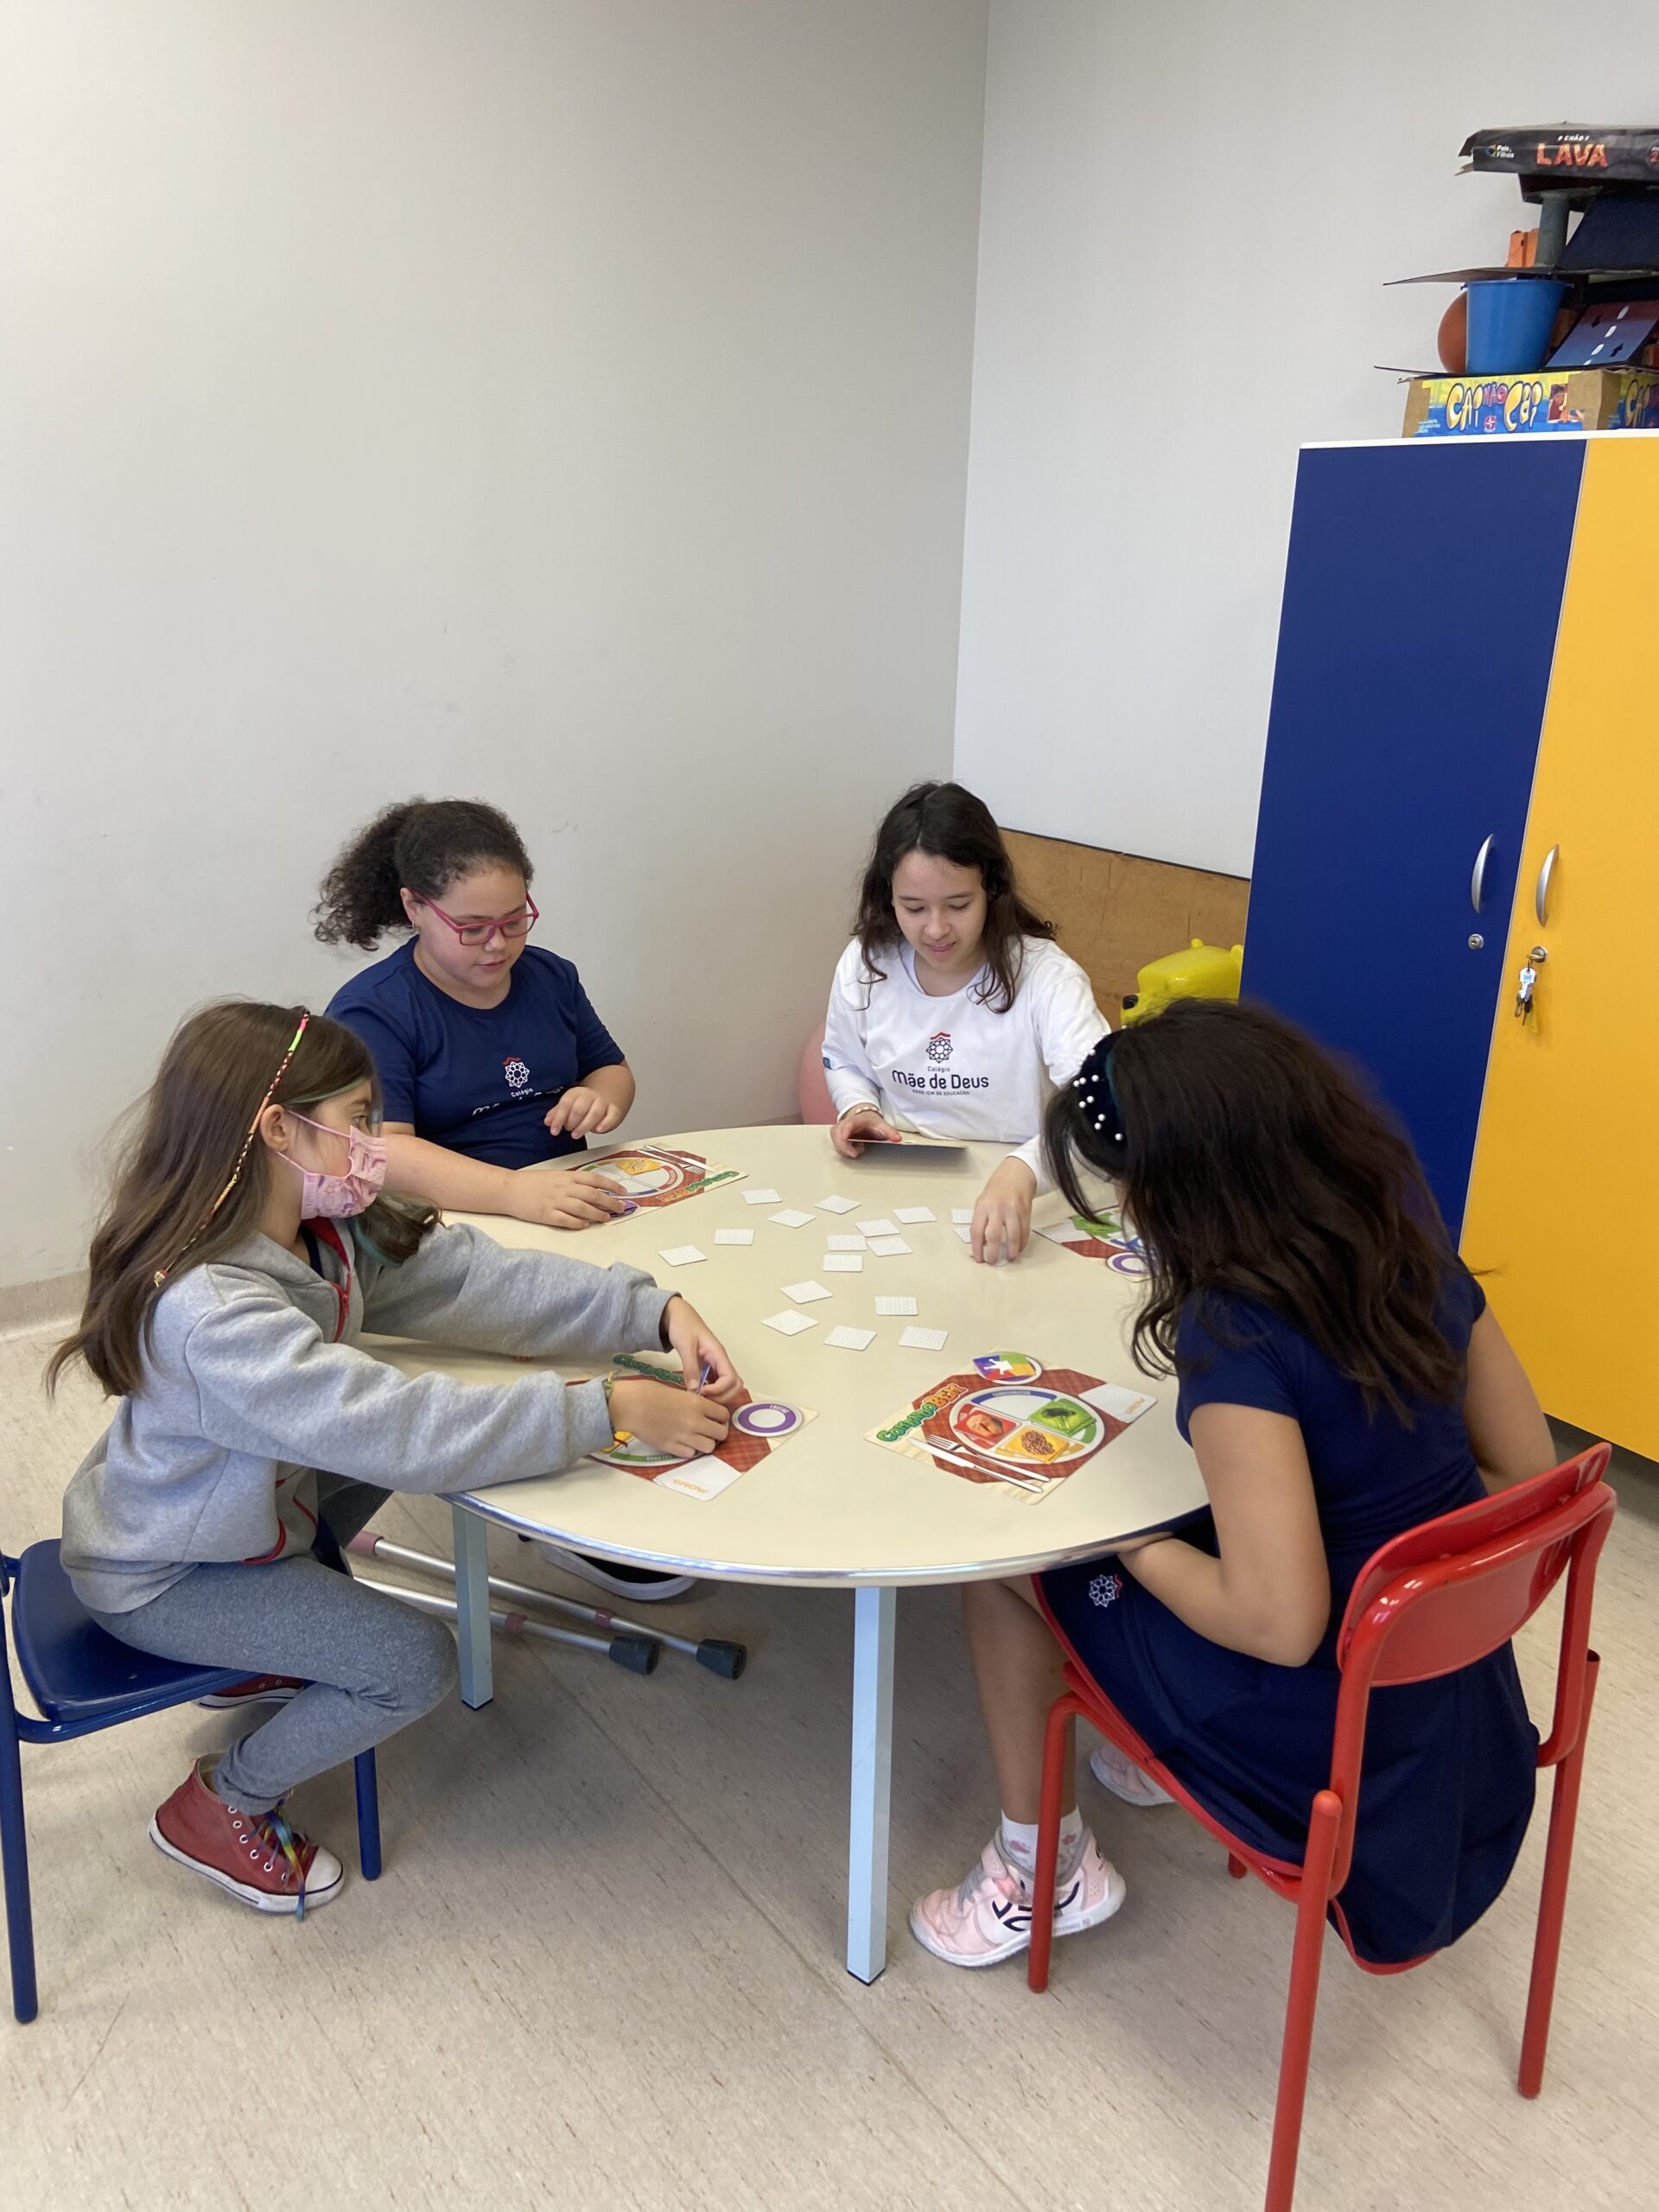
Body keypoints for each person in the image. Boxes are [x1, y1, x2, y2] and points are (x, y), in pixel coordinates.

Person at [53, 1001, 741, 1919]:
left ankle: (269, 1651)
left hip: (244, 1515)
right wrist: (605, 1409)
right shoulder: (212, 1313)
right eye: (357, 1120)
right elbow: (402, 1430)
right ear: (277, 1130)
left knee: (438, 1435)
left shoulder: (320, 1226)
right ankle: (221, 1804)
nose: (375, 1146)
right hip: (169, 1571)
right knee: (415, 1661)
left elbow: (472, 1280)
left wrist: (650, 1311)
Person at [909, 1000, 1553, 1972]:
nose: (1128, 1214)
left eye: (1126, 1190)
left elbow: (1278, 1623)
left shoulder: (1235, 1329)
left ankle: (1042, 1869)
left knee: (1010, 1564)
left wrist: (1128, 1541)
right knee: (1213, 1531)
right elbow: (1528, 1475)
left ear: (1188, 1184)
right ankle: (1140, 1757)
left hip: (1342, 1752)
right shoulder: (1406, 1240)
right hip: (1463, 1717)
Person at [317, 797, 685, 1602]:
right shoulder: (375, 1009)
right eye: (473, 927)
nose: (499, 945)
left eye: (515, 921)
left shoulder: (550, 975)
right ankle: (567, 1514)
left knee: (651, 1305)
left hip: (568, 1196)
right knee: (538, 1338)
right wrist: (513, 1192)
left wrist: (601, 1099)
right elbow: (386, 1154)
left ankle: (646, 1463)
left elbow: (611, 1069)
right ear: (415, 908)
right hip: (457, 1224)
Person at [821, 782, 1108, 1265]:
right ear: (888, 897)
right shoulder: (866, 963)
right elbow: (844, 1058)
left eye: (958, 905)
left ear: (991, 889)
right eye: (914, 908)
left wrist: (1024, 1169)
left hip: (1025, 1190)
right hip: (902, 1190)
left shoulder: (1047, 977)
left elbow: (1100, 1107)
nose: (935, 929)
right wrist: (859, 1107)